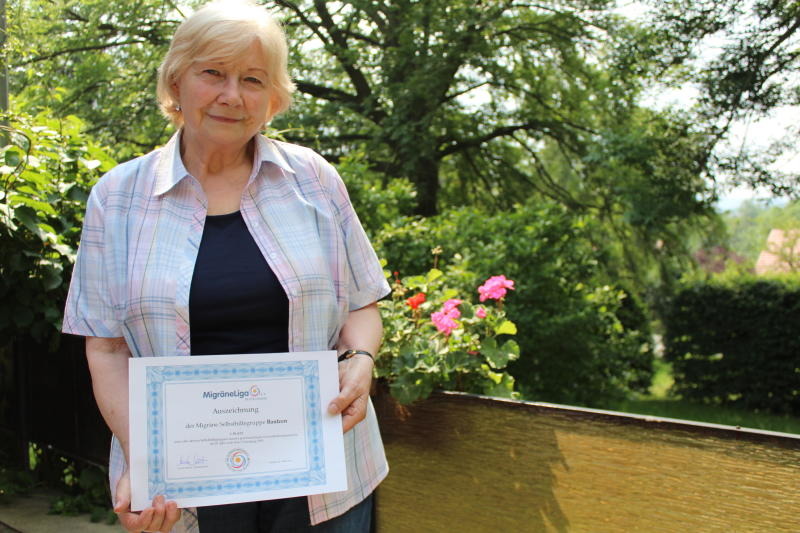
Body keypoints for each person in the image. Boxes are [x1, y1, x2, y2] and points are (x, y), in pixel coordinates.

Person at [62, 1, 390, 532]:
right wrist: (143, 466)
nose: (231, 95)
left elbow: (361, 302)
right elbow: (105, 346)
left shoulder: (314, 180)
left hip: (328, 481)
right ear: (176, 81)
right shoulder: (117, 198)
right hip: (182, 490)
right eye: (212, 72)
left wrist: (360, 358)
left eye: (253, 79)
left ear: (273, 98)